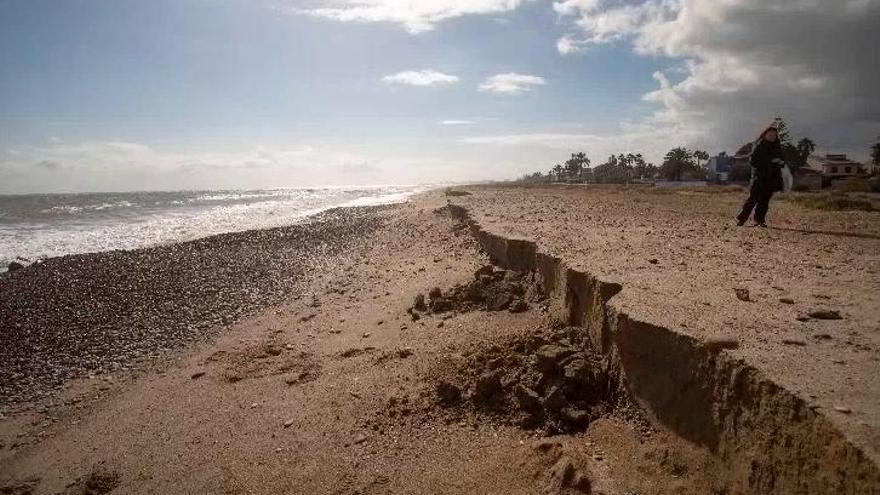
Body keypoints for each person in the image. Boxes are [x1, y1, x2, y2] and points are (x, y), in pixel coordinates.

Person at [736, 123, 785, 227]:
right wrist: (770, 161)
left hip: (772, 178)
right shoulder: (759, 147)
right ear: (765, 135)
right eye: (770, 134)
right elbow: (753, 162)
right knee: (753, 199)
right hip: (759, 177)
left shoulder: (777, 147)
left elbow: (782, 162)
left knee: (764, 201)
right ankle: (742, 219)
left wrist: (780, 162)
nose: (772, 137)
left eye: (774, 135)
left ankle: (759, 220)